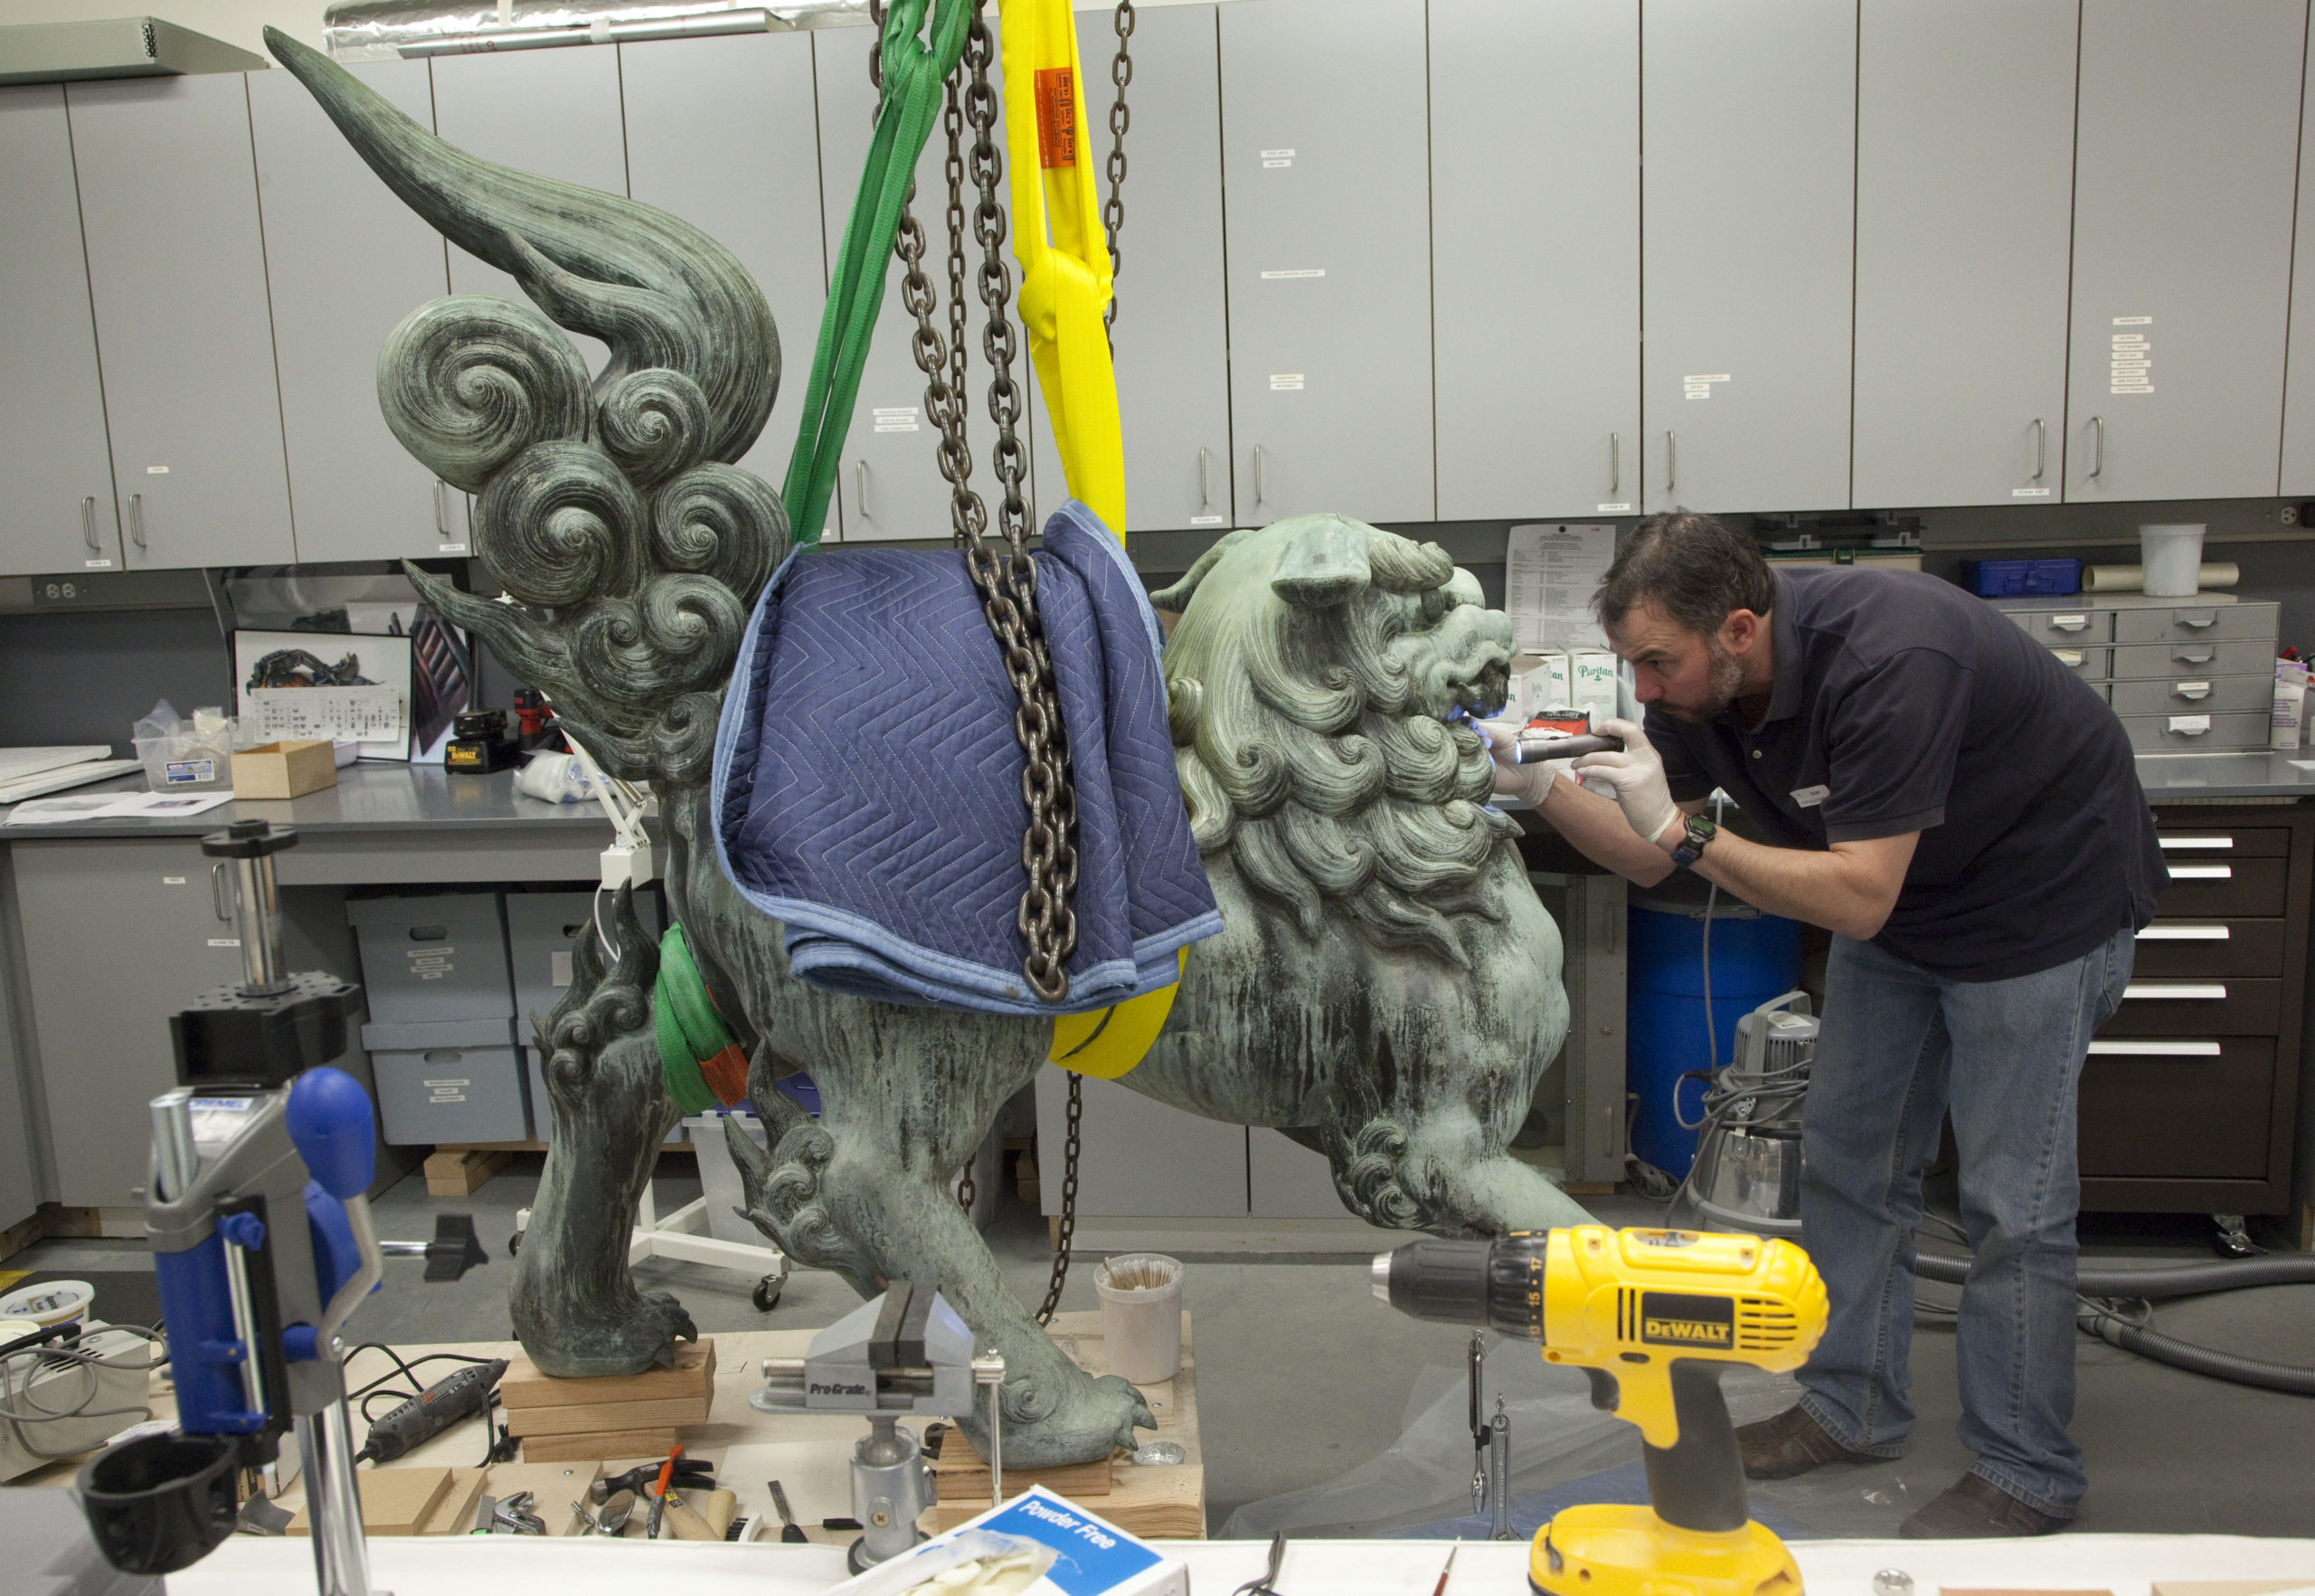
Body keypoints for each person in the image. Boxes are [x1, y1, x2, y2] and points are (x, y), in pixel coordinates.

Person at [1487, 513, 2165, 1538]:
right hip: (1904, 904)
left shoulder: (1891, 656)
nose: (1646, 690)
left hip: (2038, 907)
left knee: (2007, 1204)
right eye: (1634, 665)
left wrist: (1678, 824)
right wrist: (1538, 785)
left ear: (1740, 629)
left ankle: (2026, 1469)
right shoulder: (1695, 685)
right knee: (1848, 1159)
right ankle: (1852, 1406)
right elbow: (1651, 856)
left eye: (1658, 663)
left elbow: (1848, 898)